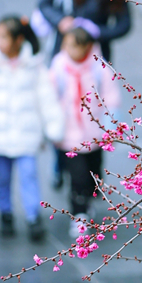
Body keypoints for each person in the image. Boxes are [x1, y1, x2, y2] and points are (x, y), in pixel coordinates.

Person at [0, 16, 63, 240]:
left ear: (18, 40)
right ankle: (5, 213)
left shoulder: (34, 65)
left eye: (2, 36)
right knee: (2, 177)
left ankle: (33, 216)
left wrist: (54, 127)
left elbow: (46, 98)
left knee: (29, 175)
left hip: (27, 134)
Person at [50, 26, 120, 238]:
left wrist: (110, 128)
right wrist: (51, 126)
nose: (69, 49)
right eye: (67, 44)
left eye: (74, 46)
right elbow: (49, 97)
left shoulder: (99, 68)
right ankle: (79, 214)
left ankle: (87, 200)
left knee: (93, 173)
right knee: (77, 176)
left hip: (94, 134)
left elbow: (111, 98)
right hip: (69, 135)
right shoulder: (59, 67)